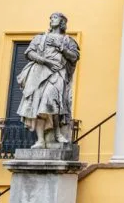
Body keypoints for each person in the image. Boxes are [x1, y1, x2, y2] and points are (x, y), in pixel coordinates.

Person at [17, 12, 79, 148]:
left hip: (58, 73)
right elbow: (29, 53)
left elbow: (74, 57)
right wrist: (45, 61)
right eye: (51, 18)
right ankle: (40, 140)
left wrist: (61, 48)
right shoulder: (40, 38)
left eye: (55, 17)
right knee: (39, 105)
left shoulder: (68, 41)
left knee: (52, 101)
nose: (52, 19)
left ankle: (57, 133)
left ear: (62, 22)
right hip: (39, 75)